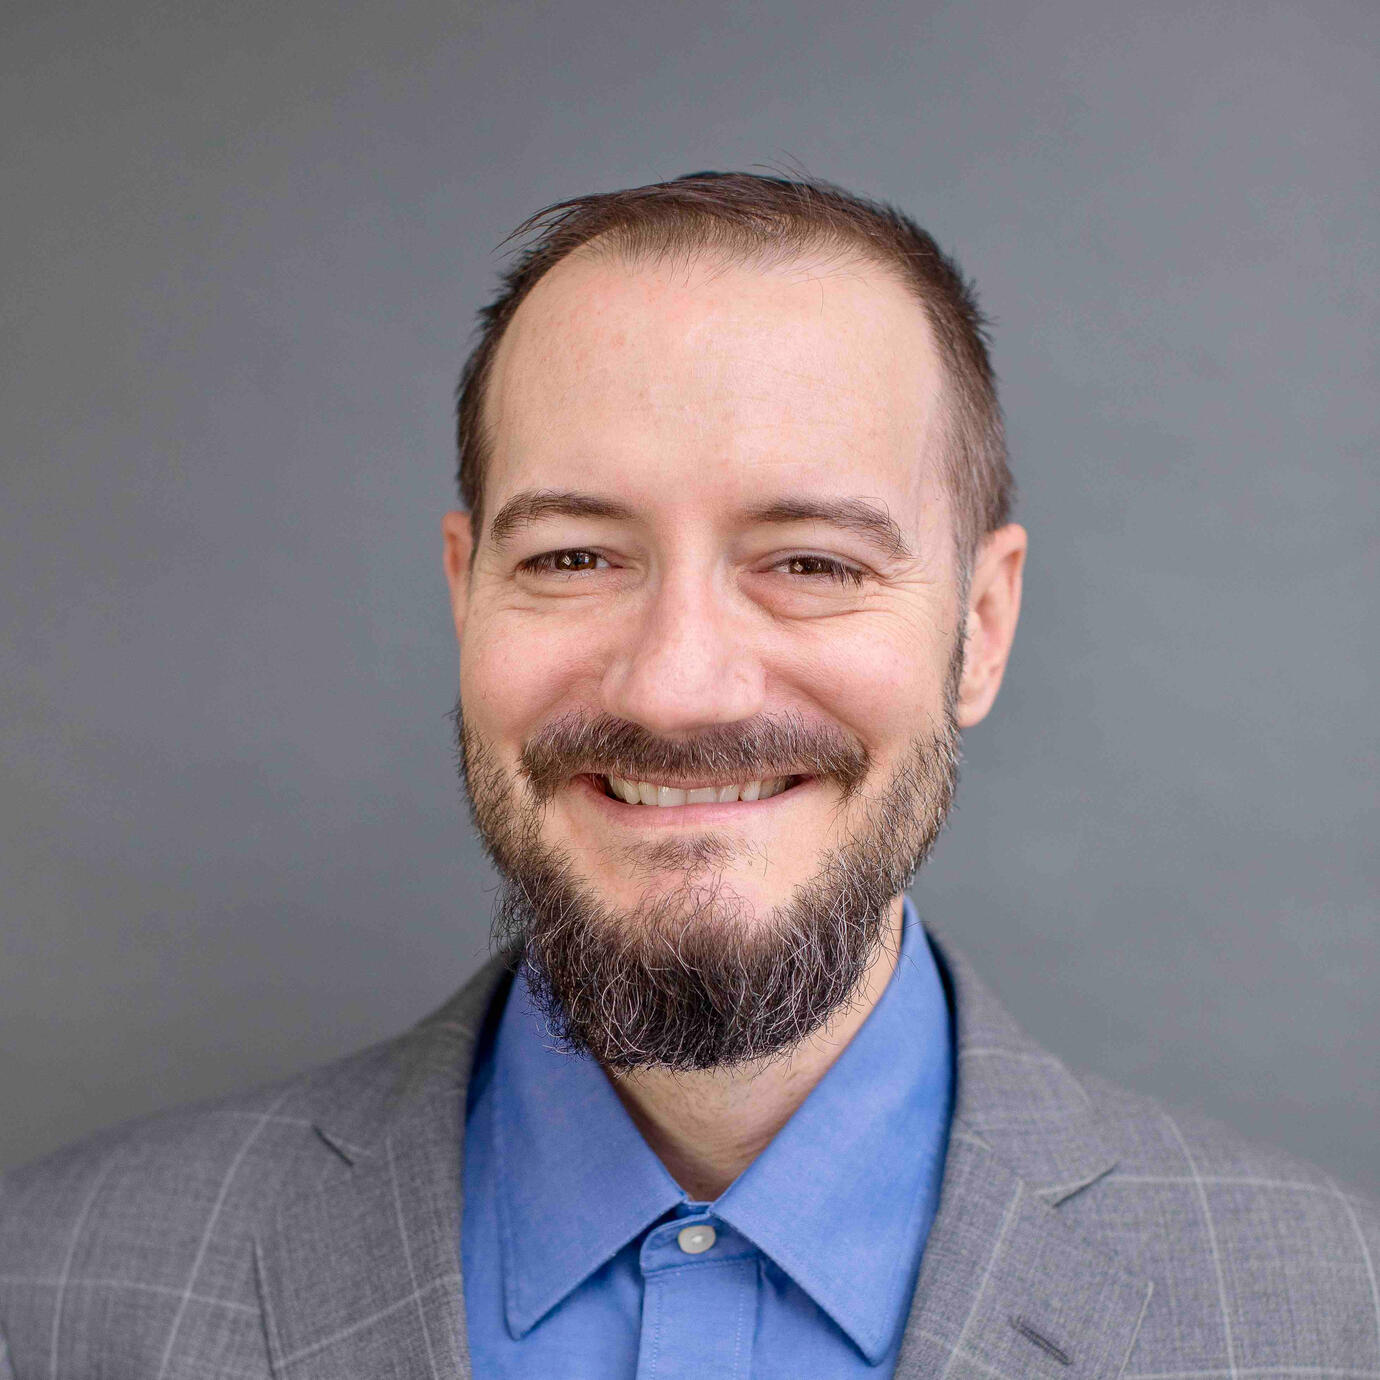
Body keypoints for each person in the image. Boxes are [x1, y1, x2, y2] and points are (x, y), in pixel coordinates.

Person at [1, 171, 1375, 1379]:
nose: (676, 686)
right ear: (465, 595)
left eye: (813, 563)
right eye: (573, 558)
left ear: (984, 623)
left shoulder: (1335, 1317)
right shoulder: (53, 1295)